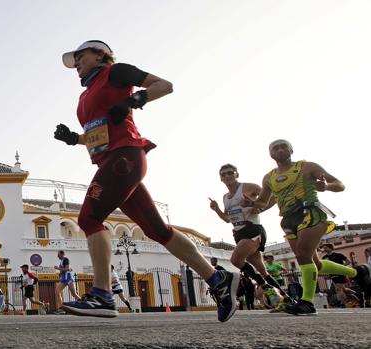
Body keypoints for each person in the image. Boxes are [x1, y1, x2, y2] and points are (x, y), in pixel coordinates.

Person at [54, 40, 239, 321]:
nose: (76, 63)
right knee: (158, 231)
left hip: (125, 157)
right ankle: (216, 279)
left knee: (89, 219)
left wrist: (134, 100)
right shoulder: (85, 95)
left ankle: (103, 294)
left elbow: (164, 85)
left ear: (100, 54)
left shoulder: (116, 72)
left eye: (81, 56)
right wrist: (74, 139)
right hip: (113, 161)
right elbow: (100, 134)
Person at [243, 139, 371, 315]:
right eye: (275, 148)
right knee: (315, 263)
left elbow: (340, 185)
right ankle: (359, 272)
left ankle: (307, 303)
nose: (280, 150)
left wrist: (326, 187)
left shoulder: (307, 167)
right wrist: (252, 204)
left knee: (303, 256)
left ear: (291, 150)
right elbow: (264, 202)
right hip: (288, 220)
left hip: (310, 212)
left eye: (283, 147)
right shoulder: (269, 177)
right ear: (271, 154)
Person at [209, 164, 291, 303]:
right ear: (221, 179)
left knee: (235, 260)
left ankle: (266, 288)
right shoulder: (226, 197)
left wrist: (256, 207)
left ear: (237, 174)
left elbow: (274, 196)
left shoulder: (248, 187)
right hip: (239, 233)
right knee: (262, 271)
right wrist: (216, 209)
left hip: (253, 229)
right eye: (224, 174)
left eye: (230, 173)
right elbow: (228, 219)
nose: (227, 176)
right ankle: (287, 300)